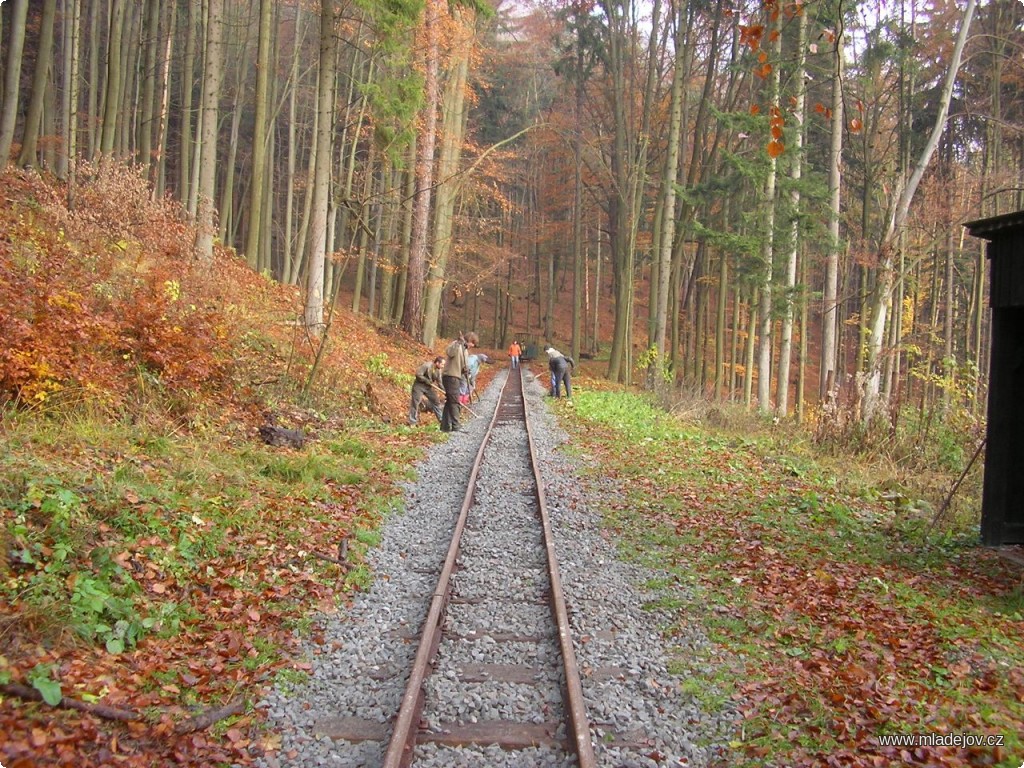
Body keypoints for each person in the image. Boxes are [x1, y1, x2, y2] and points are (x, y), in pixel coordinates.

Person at [441, 332, 477, 432]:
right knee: (454, 401)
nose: (473, 346)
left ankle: (445, 426)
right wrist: (458, 343)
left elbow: (461, 364)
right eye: (472, 343)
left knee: (450, 401)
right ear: (469, 340)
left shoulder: (465, 350)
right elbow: (449, 352)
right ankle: (456, 425)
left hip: (456, 376)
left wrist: (465, 370)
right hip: (450, 376)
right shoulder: (456, 344)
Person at [408, 356, 444, 425]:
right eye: (442, 364)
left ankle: (441, 419)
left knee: (436, 401)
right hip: (419, 386)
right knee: (415, 403)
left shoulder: (438, 370)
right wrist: (425, 380)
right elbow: (418, 374)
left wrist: (445, 391)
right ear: (437, 363)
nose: (443, 366)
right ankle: (412, 422)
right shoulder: (427, 366)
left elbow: (440, 382)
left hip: (428, 387)